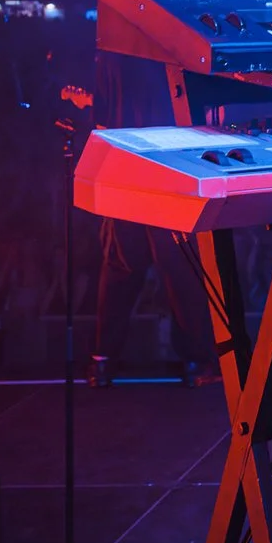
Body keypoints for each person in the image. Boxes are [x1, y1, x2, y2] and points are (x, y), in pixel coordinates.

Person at [89, 51, 217, 387]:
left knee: (122, 265)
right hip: (167, 168)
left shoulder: (109, 53)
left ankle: (103, 362)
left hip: (124, 167)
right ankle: (195, 361)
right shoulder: (169, 51)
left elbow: (101, 114)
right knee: (178, 267)